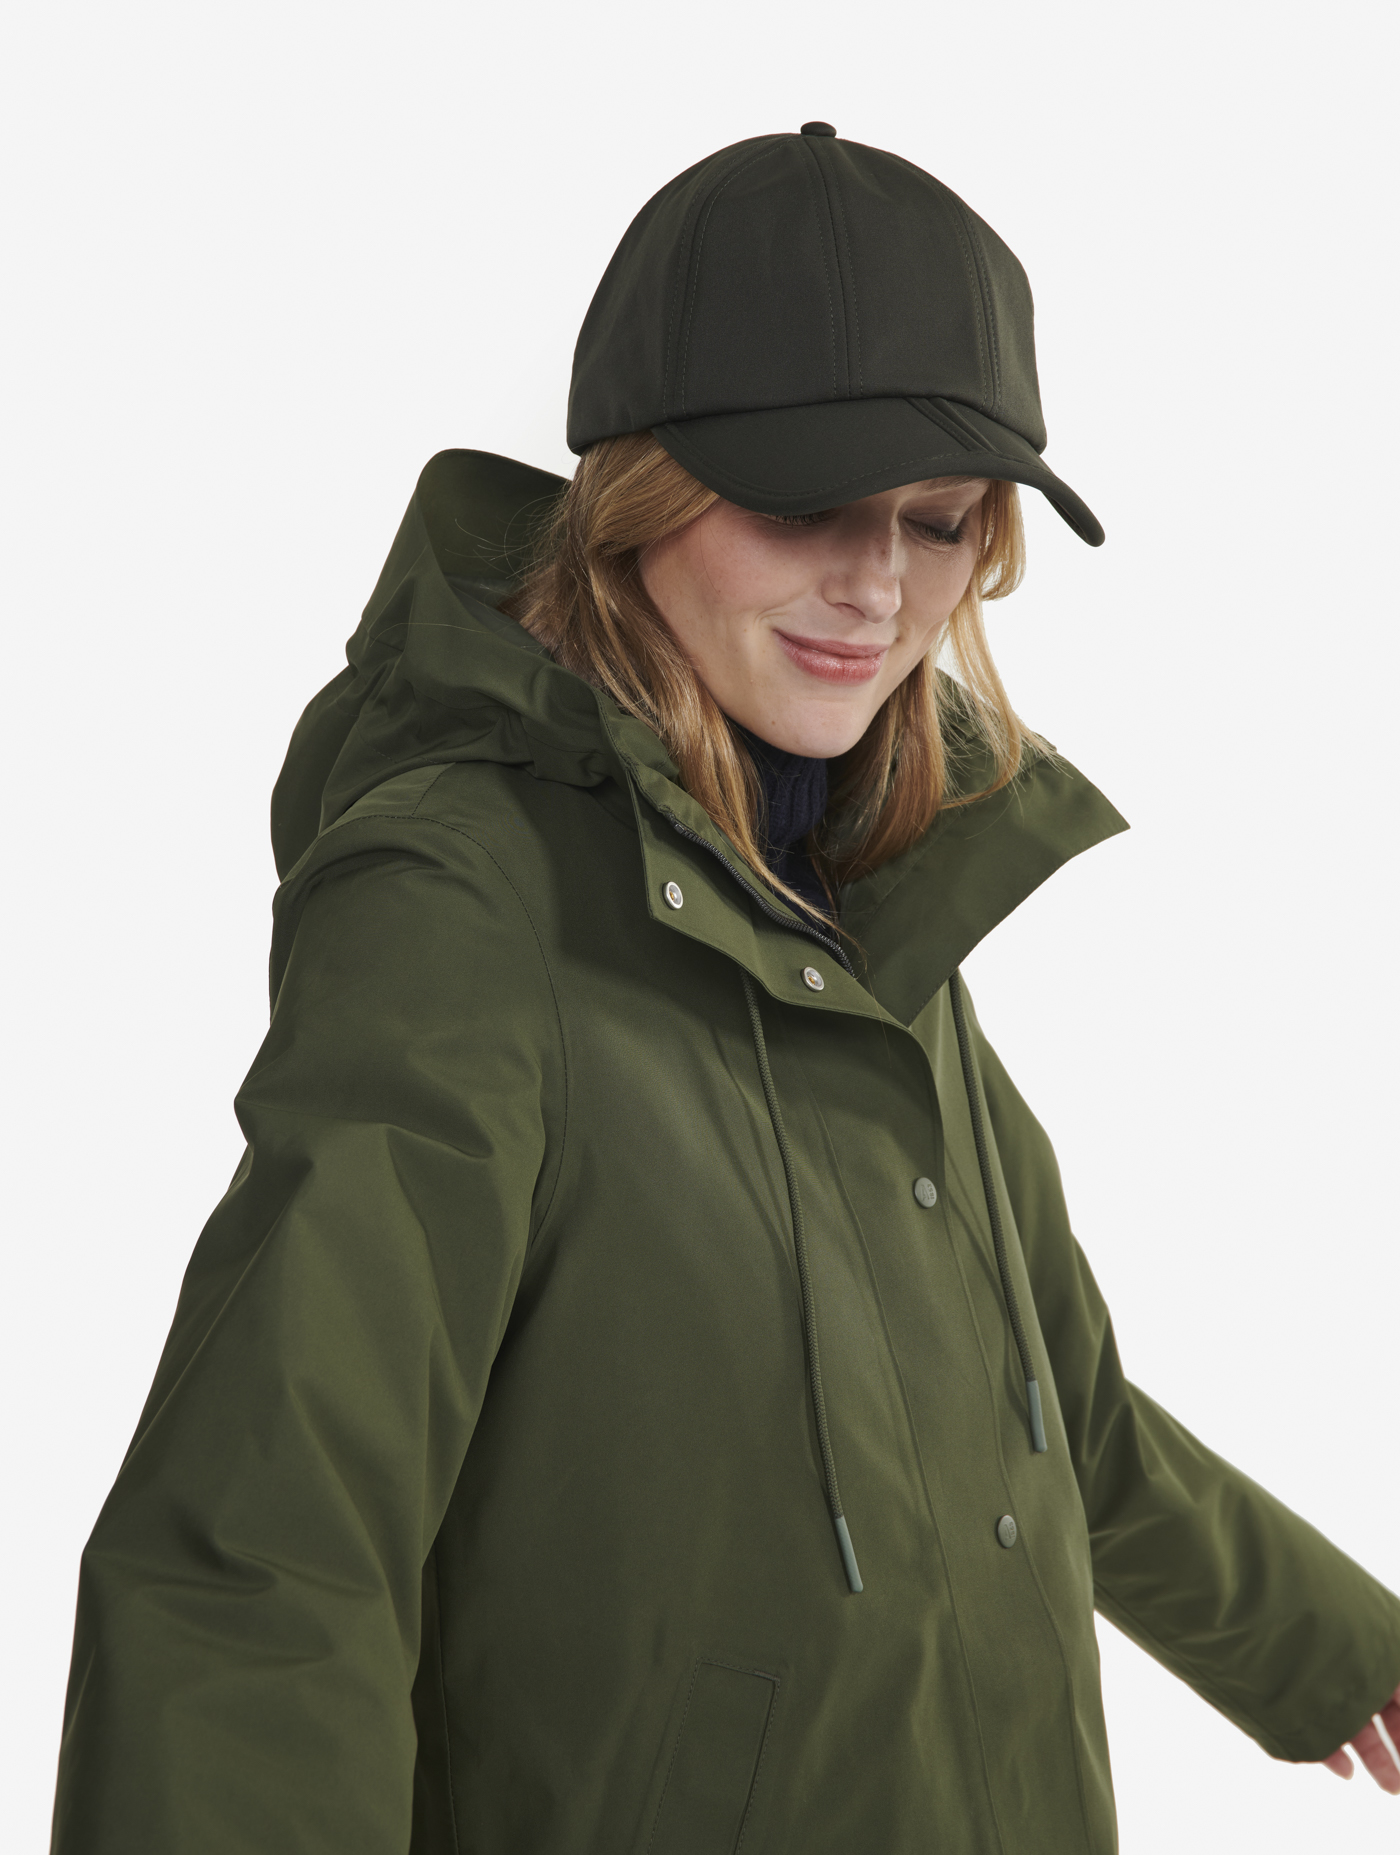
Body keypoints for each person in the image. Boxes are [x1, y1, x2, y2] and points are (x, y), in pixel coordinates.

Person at [50, 124, 1400, 1855]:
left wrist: (1335, 1650)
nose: (878, 586)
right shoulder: (464, 901)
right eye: (803, 503)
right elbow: (268, 1540)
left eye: (937, 520)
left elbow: (1058, 1414)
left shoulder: (867, 885)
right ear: (641, 490)